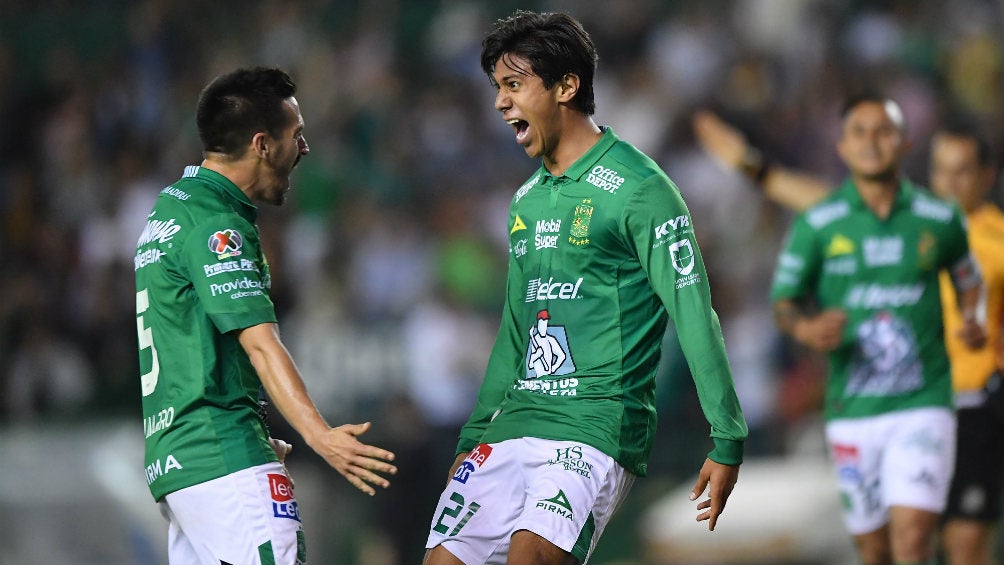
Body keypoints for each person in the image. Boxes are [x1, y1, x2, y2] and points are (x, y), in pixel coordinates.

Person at [423, 11, 748, 565]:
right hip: (512, 425)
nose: (501, 103)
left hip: (594, 425)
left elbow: (694, 312)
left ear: (567, 86)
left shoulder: (641, 189)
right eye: (497, 88)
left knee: (530, 559)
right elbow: (516, 328)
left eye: (515, 85)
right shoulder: (526, 200)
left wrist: (727, 436)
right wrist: (472, 434)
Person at [696, 110, 1004, 565]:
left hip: (972, 404)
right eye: (941, 170)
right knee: (895, 543)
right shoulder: (909, 221)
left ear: (986, 176)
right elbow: (815, 199)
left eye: (962, 172)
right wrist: (749, 163)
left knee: (962, 544)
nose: (950, 183)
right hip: (899, 404)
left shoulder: (996, 241)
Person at [134, 67, 397, 565]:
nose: (305, 148)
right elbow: (259, 342)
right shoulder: (217, 226)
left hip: (181, 465)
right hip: (221, 455)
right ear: (262, 144)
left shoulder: (169, 213)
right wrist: (318, 435)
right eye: (296, 135)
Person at [768, 94, 987, 565]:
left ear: (905, 142)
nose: (872, 143)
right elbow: (783, 303)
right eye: (860, 132)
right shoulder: (818, 223)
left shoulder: (939, 218)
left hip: (923, 403)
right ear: (842, 146)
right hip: (853, 409)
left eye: (883, 131)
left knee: (913, 538)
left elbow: (969, 281)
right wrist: (805, 330)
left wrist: (972, 318)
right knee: (875, 551)